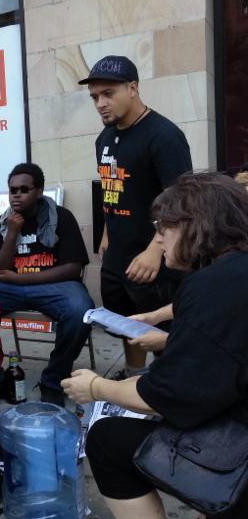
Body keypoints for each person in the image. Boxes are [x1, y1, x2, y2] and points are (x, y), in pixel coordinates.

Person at [61, 173, 248, 519]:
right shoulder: (234, 272)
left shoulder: (213, 284)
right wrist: (167, 339)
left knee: (108, 438)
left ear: (197, 225)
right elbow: (227, 343)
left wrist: (95, 387)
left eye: (164, 228)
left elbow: (162, 396)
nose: (159, 239)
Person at [80, 55, 192, 377]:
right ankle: (133, 379)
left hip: (155, 260)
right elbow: (111, 187)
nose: (100, 103)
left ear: (133, 88)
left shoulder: (164, 136)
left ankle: (165, 387)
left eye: (108, 93)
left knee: (161, 331)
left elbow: (181, 202)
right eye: (94, 97)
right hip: (118, 256)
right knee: (129, 326)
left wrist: (155, 250)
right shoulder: (104, 138)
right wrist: (106, 232)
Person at [0, 163, 93, 407]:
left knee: (81, 311)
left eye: (25, 189)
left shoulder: (61, 217)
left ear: (39, 191)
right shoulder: (1, 223)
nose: (17, 195)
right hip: (10, 288)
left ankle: (54, 381)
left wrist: (19, 278)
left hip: (55, 286)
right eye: (13, 190)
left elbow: (72, 268)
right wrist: (12, 232)